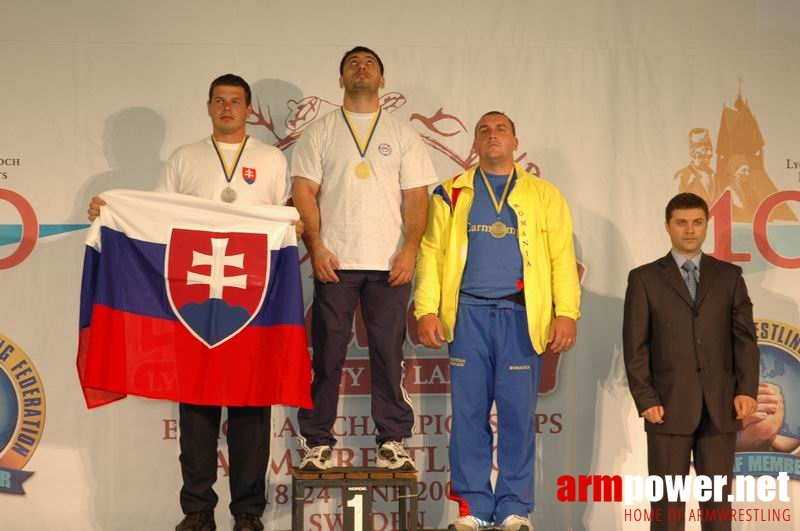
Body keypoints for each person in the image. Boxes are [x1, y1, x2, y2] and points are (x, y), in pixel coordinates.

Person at [88, 74, 291, 531]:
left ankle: (247, 514)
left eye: (236, 101)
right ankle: (197, 511)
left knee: (251, 409)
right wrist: (113, 213)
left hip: (251, 303)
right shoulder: (185, 158)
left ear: (248, 109)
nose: (227, 108)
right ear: (208, 106)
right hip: (194, 301)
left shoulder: (272, 159)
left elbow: (283, 228)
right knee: (196, 409)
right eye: (219, 100)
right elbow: (156, 222)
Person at [414, 111, 581, 531]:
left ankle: (513, 508)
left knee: (517, 418)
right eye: (484, 130)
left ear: (514, 140)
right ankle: (472, 509)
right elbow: (431, 253)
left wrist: (566, 313)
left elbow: (562, 257)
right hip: (467, 316)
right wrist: (426, 309)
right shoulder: (452, 192)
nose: (493, 136)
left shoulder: (544, 195)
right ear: (475, 142)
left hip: (522, 317)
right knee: (468, 416)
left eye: (500, 129)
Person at [291, 46, 438, 471]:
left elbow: (416, 198)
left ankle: (392, 439)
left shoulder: (402, 133)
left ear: (382, 79)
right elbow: (303, 192)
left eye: (369, 63)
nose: (361, 68)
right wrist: (316, 248)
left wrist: (409, 250)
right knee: (328, 354)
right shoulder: (319, 132)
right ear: (340, 80)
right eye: (352, 64)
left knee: (389, 353)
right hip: (334, 261)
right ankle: (317, 440)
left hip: (389, 264)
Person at [623, 192, 760, 531]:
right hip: (666, 408)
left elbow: (744, 339)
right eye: (681, 222)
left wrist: (747, 389)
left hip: (721, 405)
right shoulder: (643, 278)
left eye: (697, 222)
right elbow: (634, 345)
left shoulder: (729, 276)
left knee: (717, 507)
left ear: (706, 226)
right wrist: (646, 398)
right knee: (667, 508)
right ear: (668, 226)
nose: (689, 230)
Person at [673, 128, 715, 205]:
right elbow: (677, 208)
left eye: (711, 149)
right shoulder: (681, 177)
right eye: (705, 149)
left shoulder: (715, 176)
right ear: (693, 152)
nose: (710, 153)